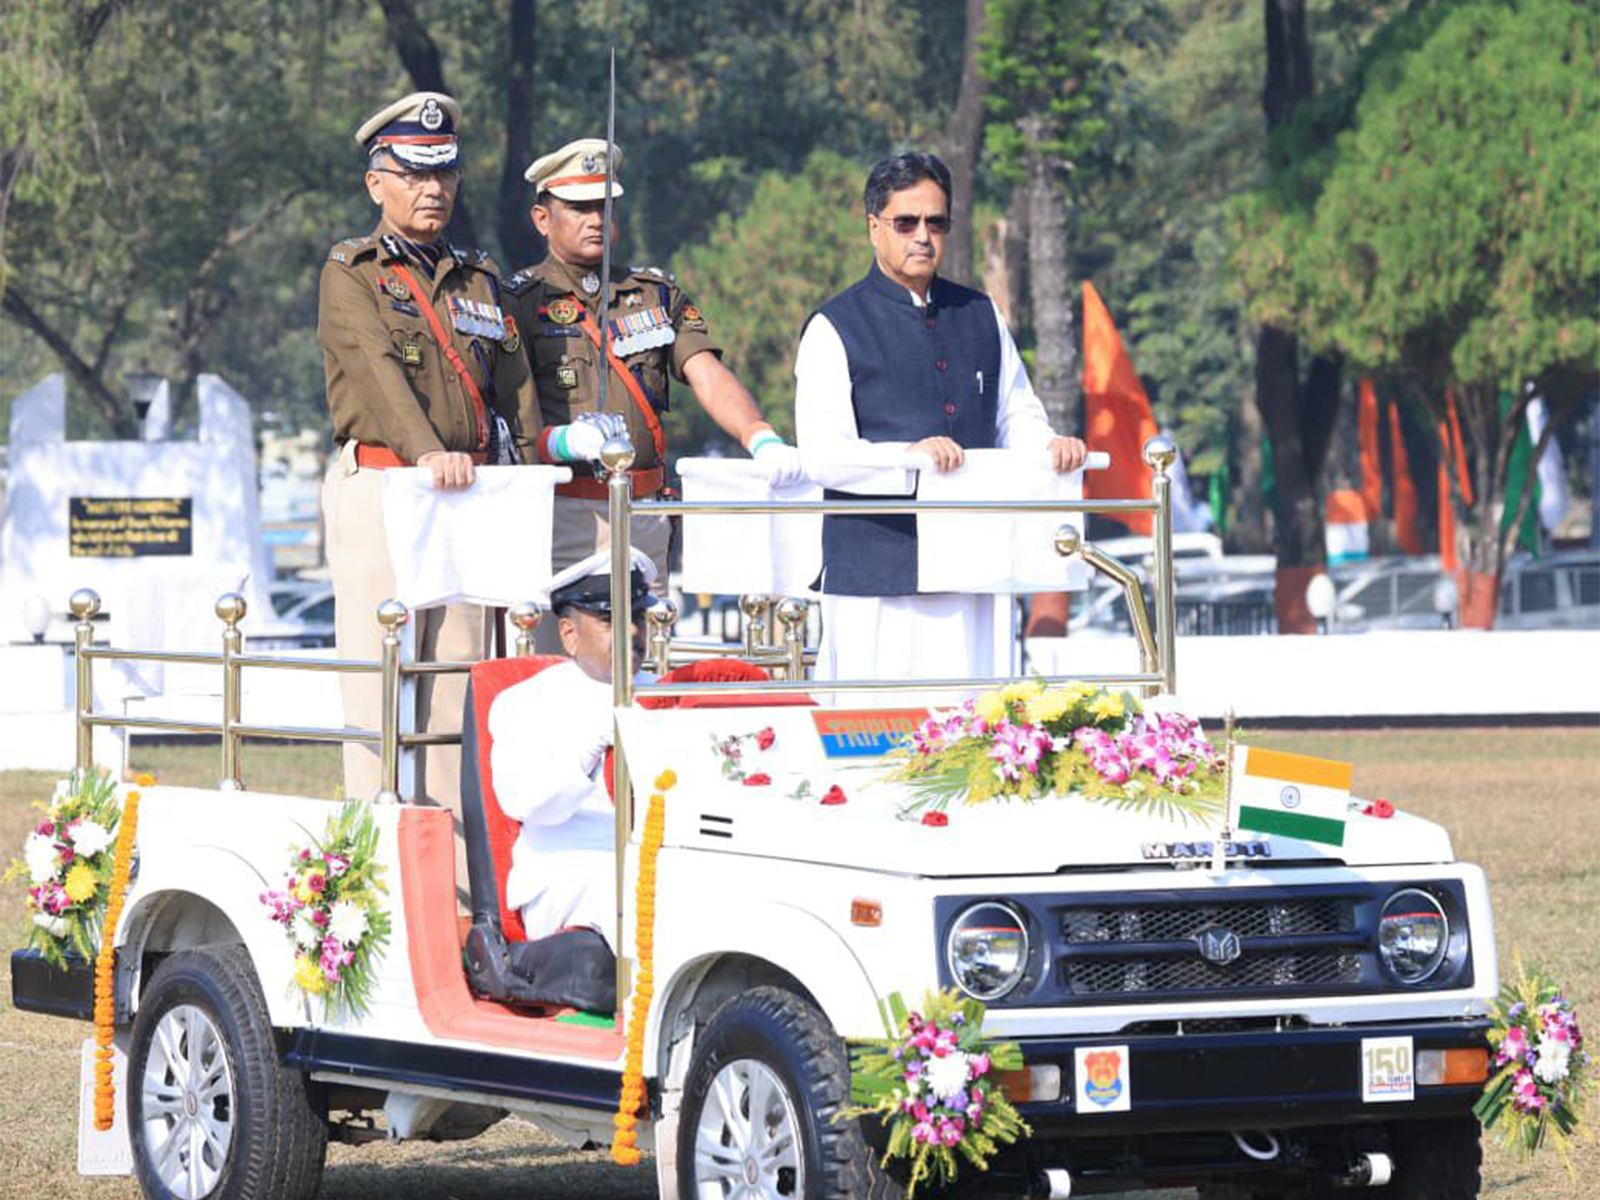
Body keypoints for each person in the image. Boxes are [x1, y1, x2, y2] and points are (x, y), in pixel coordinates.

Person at [318, 91, 541, 896]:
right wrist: (427, 453)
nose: (433, 189)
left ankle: (448, 897)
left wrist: (532, 455)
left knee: (454, 699)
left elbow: (515, 390)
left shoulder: (479, 280)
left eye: (444, 172)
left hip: (468, 496)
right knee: (378, 692)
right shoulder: (351, 274)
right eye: (414, 173)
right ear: (377, 182)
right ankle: (369, 885)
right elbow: (378, 378)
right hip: (385, 484)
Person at [794, 151, 1088, 687]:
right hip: (878, 574)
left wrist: (1048, 447)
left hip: (973, 566)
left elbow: (1016, 413)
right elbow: (822, 455)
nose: (922, 237)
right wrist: (910, 461)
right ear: (874, 228)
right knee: (874, 737)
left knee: (974, 727)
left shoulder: (980, 314)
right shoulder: (834, 326)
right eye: (906, 222)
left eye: (937, 222)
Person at [500, 138, 805, 648]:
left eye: (605, 206)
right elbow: (506, 410)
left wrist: (760, 436)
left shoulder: (654, 294)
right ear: (542, 219)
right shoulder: (519, 300)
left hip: (643, 513)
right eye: (578, 208)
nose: (595, 219)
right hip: (565, 512)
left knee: (642, 656)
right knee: (563, 662)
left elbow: (705, 372)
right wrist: (559, 443)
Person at [487, 548, 655, 950]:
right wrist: (589, 749)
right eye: (610, 620)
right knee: (625, 888)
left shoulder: (665, 694)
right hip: (565, 870)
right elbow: (525, 803)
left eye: (637, 617)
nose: (632, 632)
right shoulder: (525, 701)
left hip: (652, 858)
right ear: (569, 634)